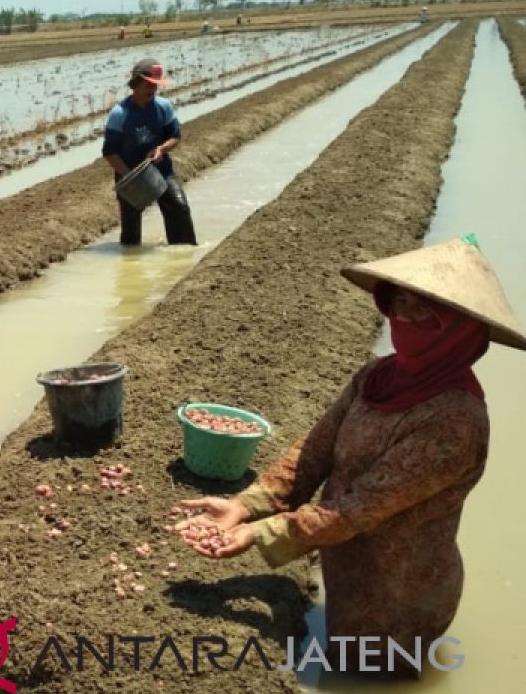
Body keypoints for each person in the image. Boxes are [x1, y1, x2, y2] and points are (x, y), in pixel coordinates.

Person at [173, 237, 526, 677]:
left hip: (403, 598)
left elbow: (360, 508)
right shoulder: (378, 376)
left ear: (462, 329)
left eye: (425, 313)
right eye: (399, 304)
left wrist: (260, 534)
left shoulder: (456, 420)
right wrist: (246, 505)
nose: (405, 319)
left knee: (375, 679)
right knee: (339, 667)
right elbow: (314, 449)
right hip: (347, 569)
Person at [101, 58, 197, 246]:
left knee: (180, 208)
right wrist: (131, 177)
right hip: (128, 174)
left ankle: (185, 251)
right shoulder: (120, 114)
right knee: (131, 231)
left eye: (155, 86)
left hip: (161, 171)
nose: (152, 91)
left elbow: (175, 136)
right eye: (148, 85)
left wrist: (162, 148)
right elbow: (109, 151)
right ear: (136, 84)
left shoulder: (163, 106)